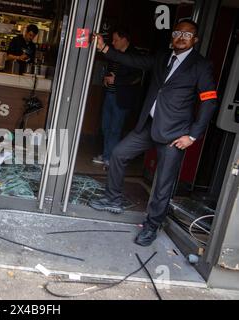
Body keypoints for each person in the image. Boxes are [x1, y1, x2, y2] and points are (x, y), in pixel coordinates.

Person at [89, 19, 218, 246]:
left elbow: (209, 103)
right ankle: (113, 199)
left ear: (195, 40)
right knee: (119, 154)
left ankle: (151, 226)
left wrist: (193, 135)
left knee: (163, 184)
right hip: (149, 125)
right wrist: (105, 48)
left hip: (176, 134)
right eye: (177, 32)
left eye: (186, 35)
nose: (180, 37)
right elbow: (135, 60)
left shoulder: (201, 65)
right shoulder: (162, 57)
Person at [92, 28, 142, 168]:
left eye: (115, 40)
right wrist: (107, 79)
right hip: (110, 94)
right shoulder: (115, 54)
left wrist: (116, 80)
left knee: (115, 128)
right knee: (105, 126)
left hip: (122, 98)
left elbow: (136, 77)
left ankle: (109, 158)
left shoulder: (134, 55)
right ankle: (106, 154)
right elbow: (111, 71)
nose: (113, 43)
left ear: (124, 39)